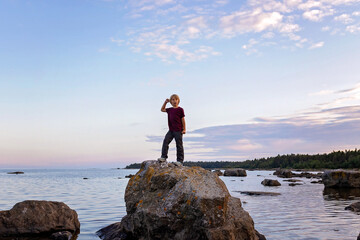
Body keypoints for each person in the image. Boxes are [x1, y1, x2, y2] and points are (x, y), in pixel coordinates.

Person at [158, 94, 186, 164]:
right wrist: (165, 102)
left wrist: (184, 129)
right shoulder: (169, 110)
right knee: (165, 141)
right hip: (171, 130)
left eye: (176, 99)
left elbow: (183, 120)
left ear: (178, 101)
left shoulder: (180, 109)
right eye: (173, 99)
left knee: (179, 145)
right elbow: (162, 109)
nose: (174, 101)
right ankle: (164, 157)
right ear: (171, 101)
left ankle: (180, 161)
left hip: (178, 130)